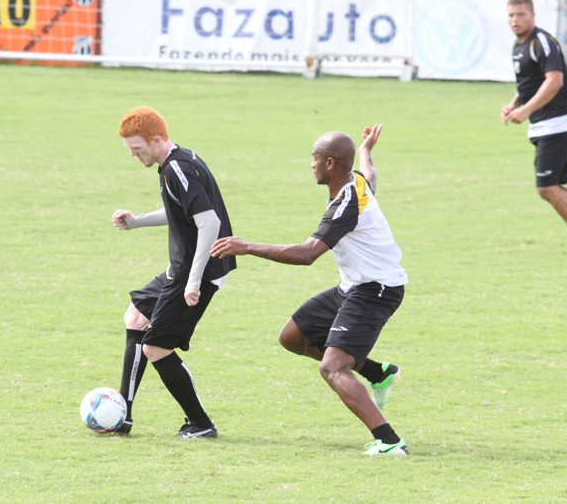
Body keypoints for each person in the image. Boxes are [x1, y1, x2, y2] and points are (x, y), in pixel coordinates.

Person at [211, 125, 409, 455]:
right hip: (354, 286)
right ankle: (378, 373)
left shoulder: (346, 205)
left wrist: (246, 246)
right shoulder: (356, 179)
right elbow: (371, 177)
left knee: (332, 367)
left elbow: (307, 254)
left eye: (315, 159)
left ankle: (390, 442)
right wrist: (367, 150)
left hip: (376, 290)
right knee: (292, 337)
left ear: (330, 164)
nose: (311, 165)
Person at [111, 106, 236, 438]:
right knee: (136, 316)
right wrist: (137, 222)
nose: (136, 157)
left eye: (138, 150)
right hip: (182, 269)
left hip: (198, 272)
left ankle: (200, 425)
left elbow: (209, 223)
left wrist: (193, 281)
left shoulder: (177, 168)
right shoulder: (175, 163)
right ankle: (122, 414)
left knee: (157, 347)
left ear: (155, 140)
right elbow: (181, 212)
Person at [502, 0, 567, 251]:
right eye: (511, 15)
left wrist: (526, 110)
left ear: (533, 15)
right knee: (553, 186)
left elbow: (555, 80)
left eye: (521, 14)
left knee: (547, 187)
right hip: (548, 125)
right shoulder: (519, 45)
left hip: (559, 122)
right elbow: (531, 83)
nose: (515, 20)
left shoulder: (541, 40)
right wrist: (514, 104)